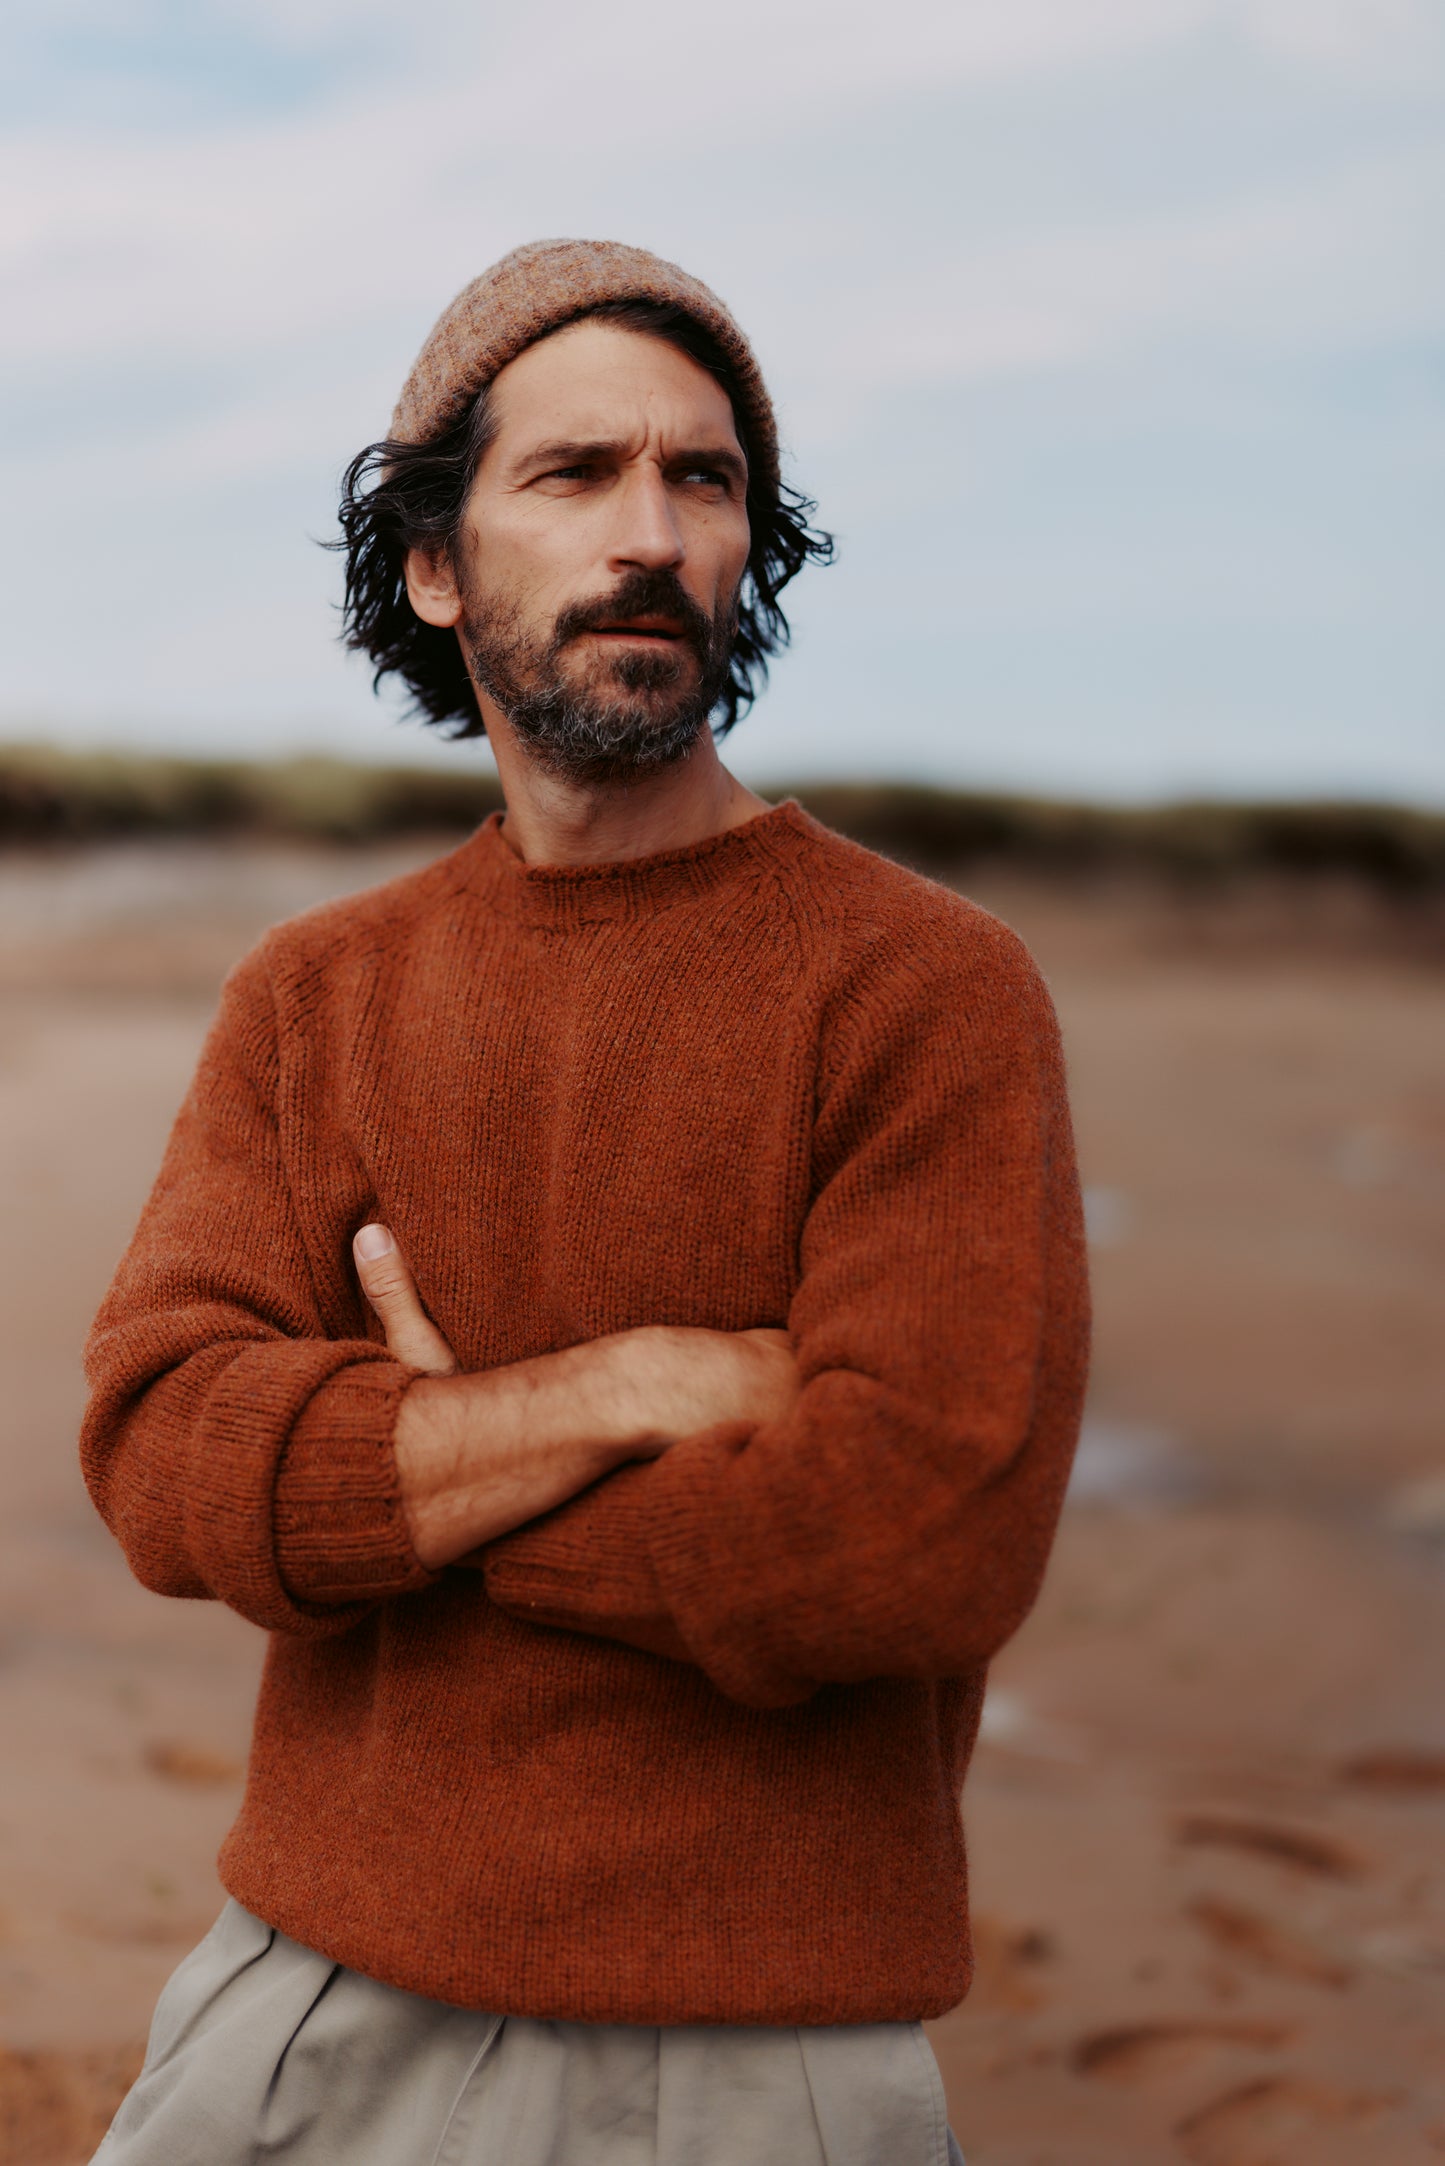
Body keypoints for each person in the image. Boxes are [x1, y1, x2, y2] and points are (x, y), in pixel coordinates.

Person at [81, 238, 1089, 2166]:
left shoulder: (923, 983)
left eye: (703, 481)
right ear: (436, 563)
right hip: (306, 1998)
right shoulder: (316, 992)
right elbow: (158, 1451)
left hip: (752, 2054)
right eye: (575, 474)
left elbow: (910, 1540)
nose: (653, 534)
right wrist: (622, 1386)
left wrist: (418, 1487)